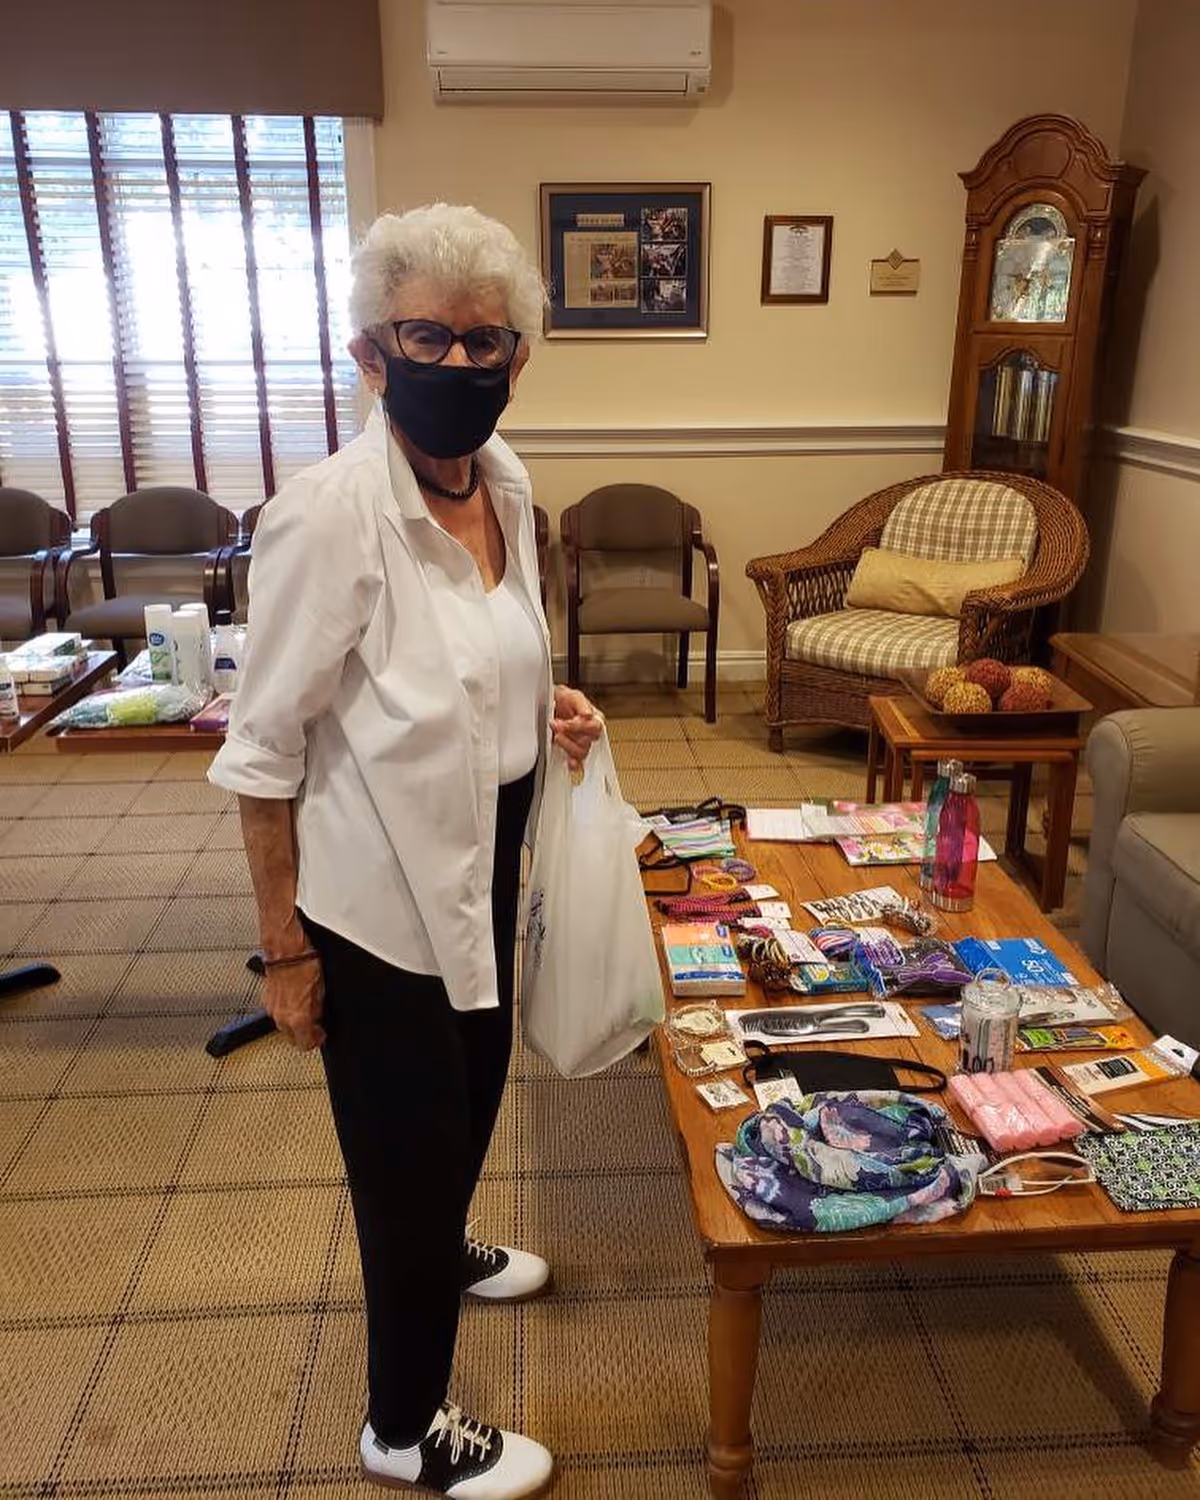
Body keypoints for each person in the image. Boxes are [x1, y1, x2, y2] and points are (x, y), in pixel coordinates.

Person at [208, 203, 602, 1499]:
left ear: (519, 356)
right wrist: (284, 954)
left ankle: (449, 1242)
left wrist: (548, 706)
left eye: (486, 340)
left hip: (486, 855)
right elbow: (264, 756)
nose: (458, 363)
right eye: (425, 335)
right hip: (372, 897)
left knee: (475, 1082)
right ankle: (402, 1427)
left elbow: (486, 657)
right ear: (371, 354)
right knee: (400, 1148)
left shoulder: (511, 485)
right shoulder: (327, 517)